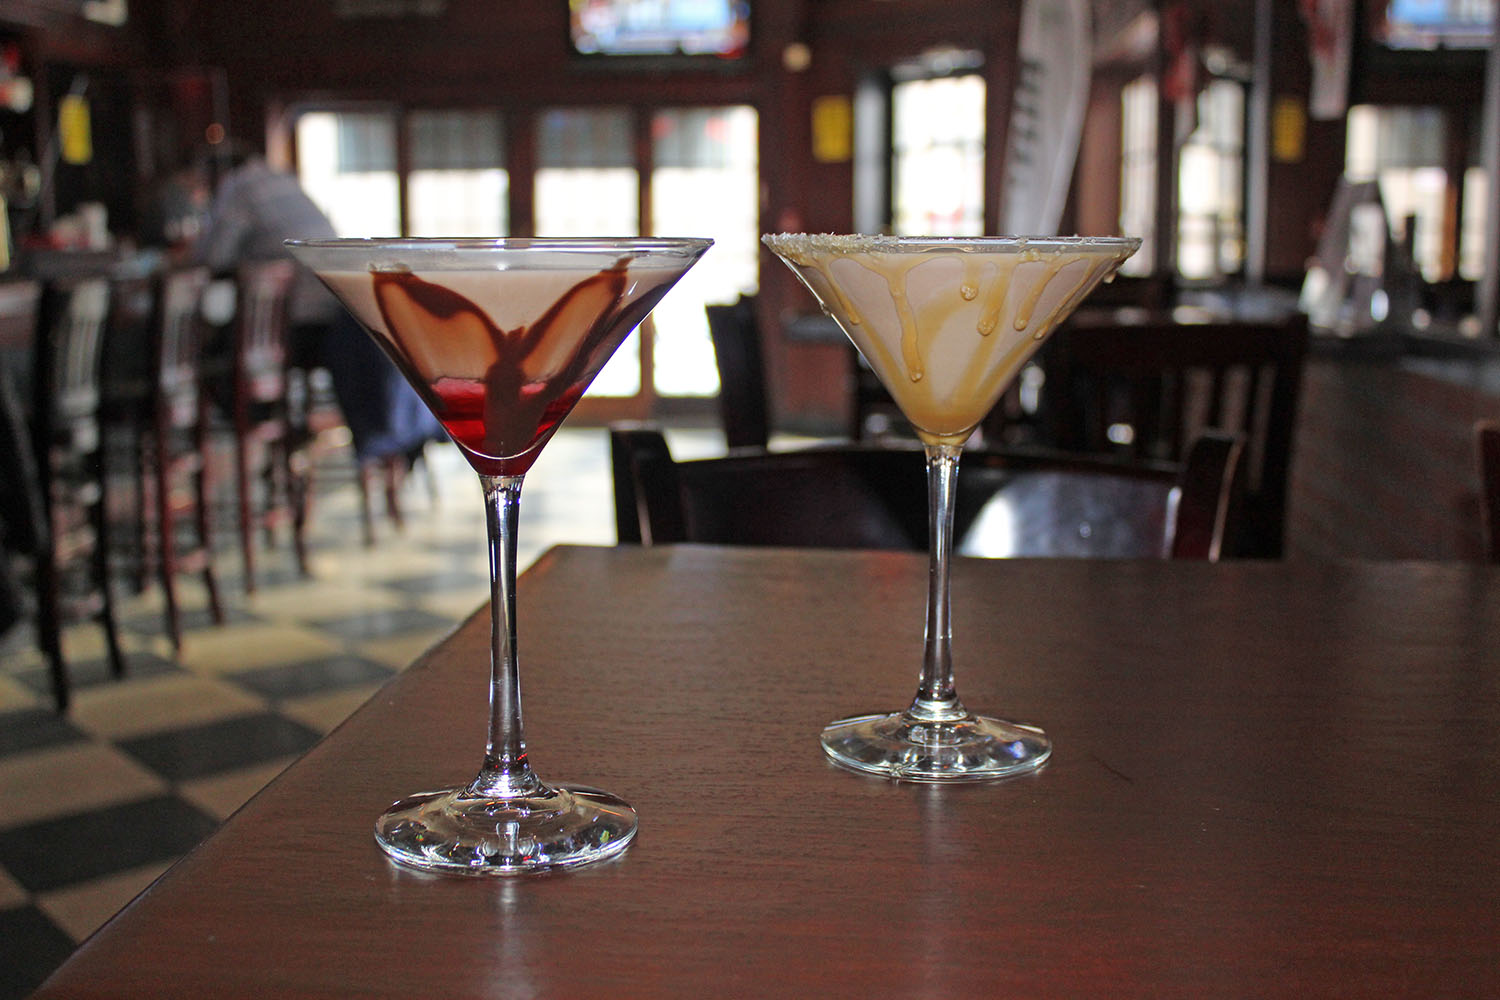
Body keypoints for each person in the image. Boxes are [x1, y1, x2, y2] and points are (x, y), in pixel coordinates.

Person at [192, 142, 442, 471]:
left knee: (212, 358)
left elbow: (210, 257)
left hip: (305, 327)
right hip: (341, 316)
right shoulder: (281, 179)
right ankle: (282, 427)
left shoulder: (238, 186)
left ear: (216, 174)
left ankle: (263, 425)